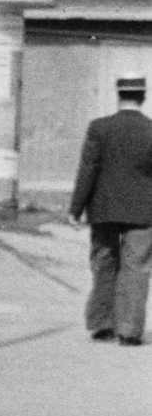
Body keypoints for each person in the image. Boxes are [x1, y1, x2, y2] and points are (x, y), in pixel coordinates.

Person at [69, 72, 152, 346]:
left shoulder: (99, 127)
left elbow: (87, 170)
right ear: (143, 96)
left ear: (119, 95)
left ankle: (102, 324)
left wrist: (76, 208)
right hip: (143, 211)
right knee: (136, 268)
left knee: (104, 264)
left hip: (103, 209)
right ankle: (129, 331)